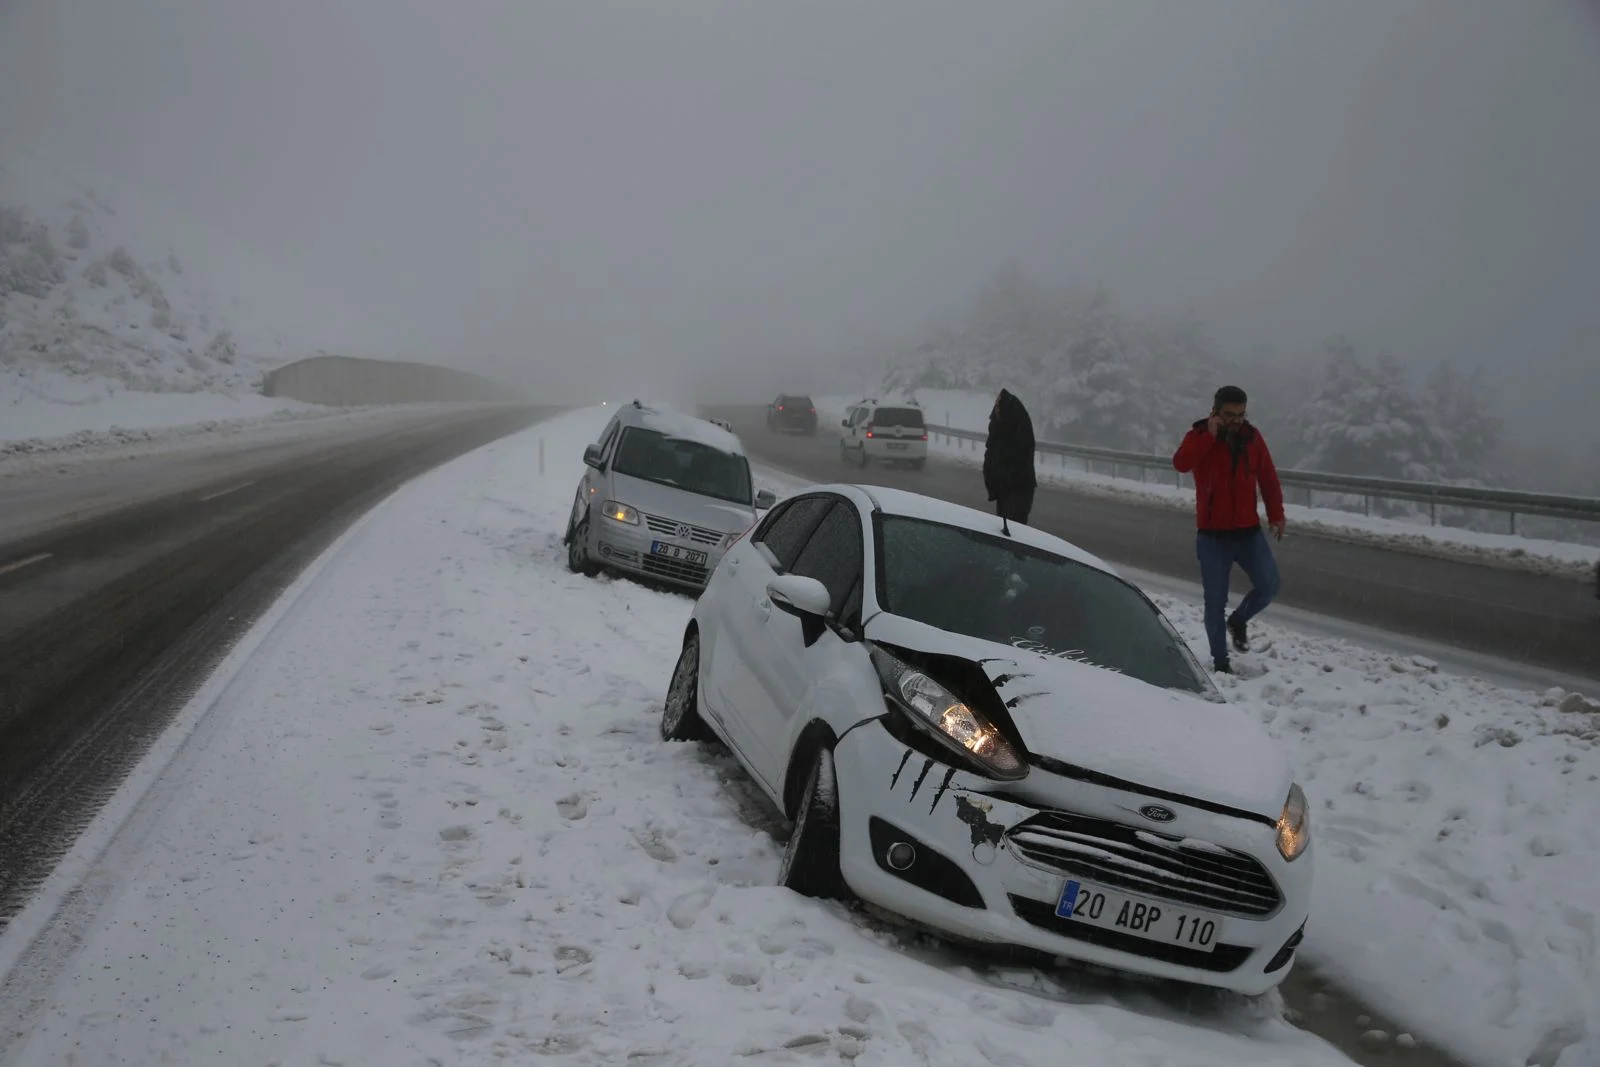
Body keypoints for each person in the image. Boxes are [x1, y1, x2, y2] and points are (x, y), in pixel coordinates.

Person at [1172, 385, 1286, 674]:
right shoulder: (1199, 437)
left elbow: (1268, 478)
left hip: (1248, 533)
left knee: (1269, 585)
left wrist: (1276, 515)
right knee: (1214, 602)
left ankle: (1238, 621)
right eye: (1229, 415)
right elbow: (1181, 463)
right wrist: (1210, 436)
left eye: (1240, 415)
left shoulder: (1252, 438)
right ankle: (1221, 663)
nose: (1236, 421)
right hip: (1212, 537)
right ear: (1215, 412)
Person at [983, 388, 1038, 524]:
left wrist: (1000, 475)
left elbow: (1016, 457)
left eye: (998, 405)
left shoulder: (1017, 427)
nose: (995, 408)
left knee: (1014, 528)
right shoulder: (1000, 425)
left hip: (1017, 489)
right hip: (1004, 489)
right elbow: (992, 451)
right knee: (1004, 526)